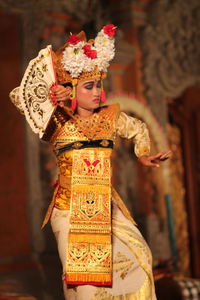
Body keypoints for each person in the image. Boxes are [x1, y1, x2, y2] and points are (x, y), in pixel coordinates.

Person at [10, 24, 170, 300]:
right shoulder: (58, 121)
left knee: (140, 257)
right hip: (70, 210)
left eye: (99, 85)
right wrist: (56, 90)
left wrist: (142, 154)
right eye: (88, 86)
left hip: (106, 206)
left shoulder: (110, 117)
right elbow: (19, 95)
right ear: (73, 88)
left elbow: (138, 129)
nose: (97, 92)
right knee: (86, 288)